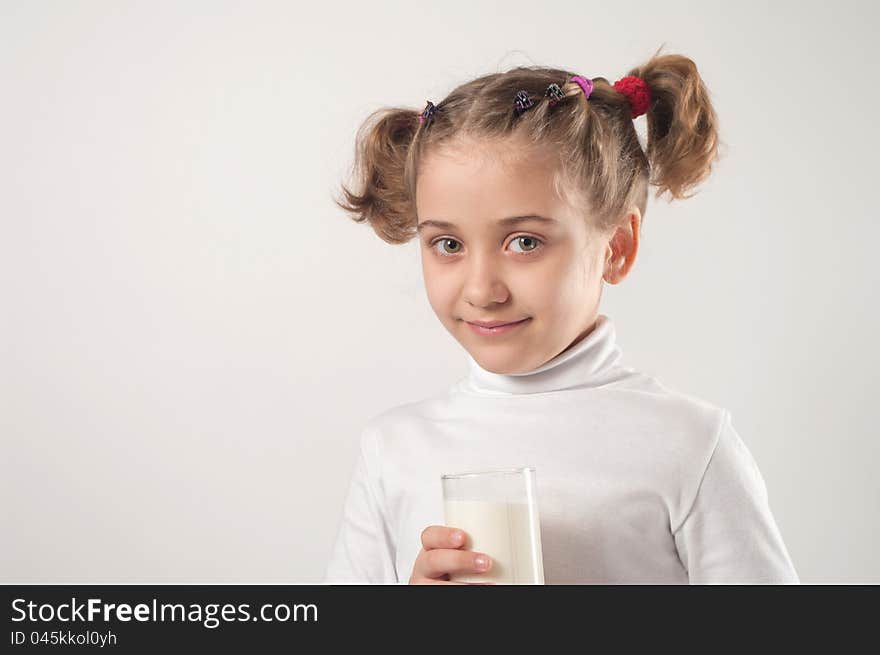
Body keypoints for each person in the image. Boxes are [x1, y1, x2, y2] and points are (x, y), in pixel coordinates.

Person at [322, 47, 799, 584]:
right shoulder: (395, 447)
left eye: (524, 242)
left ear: (616, 247)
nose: (481, 289)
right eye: (448, 243)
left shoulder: (688, 444)